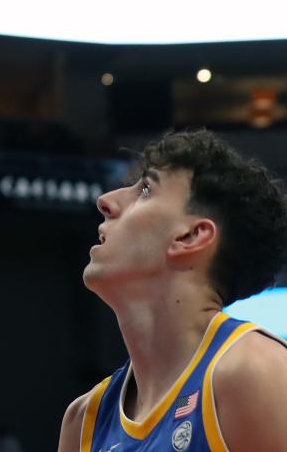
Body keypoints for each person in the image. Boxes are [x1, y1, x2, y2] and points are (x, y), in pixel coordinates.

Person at [57, 128, 287, 452]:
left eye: (146, 190)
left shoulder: (253, 372)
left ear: (191, 236)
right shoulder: (84, 421)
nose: (106, 201)